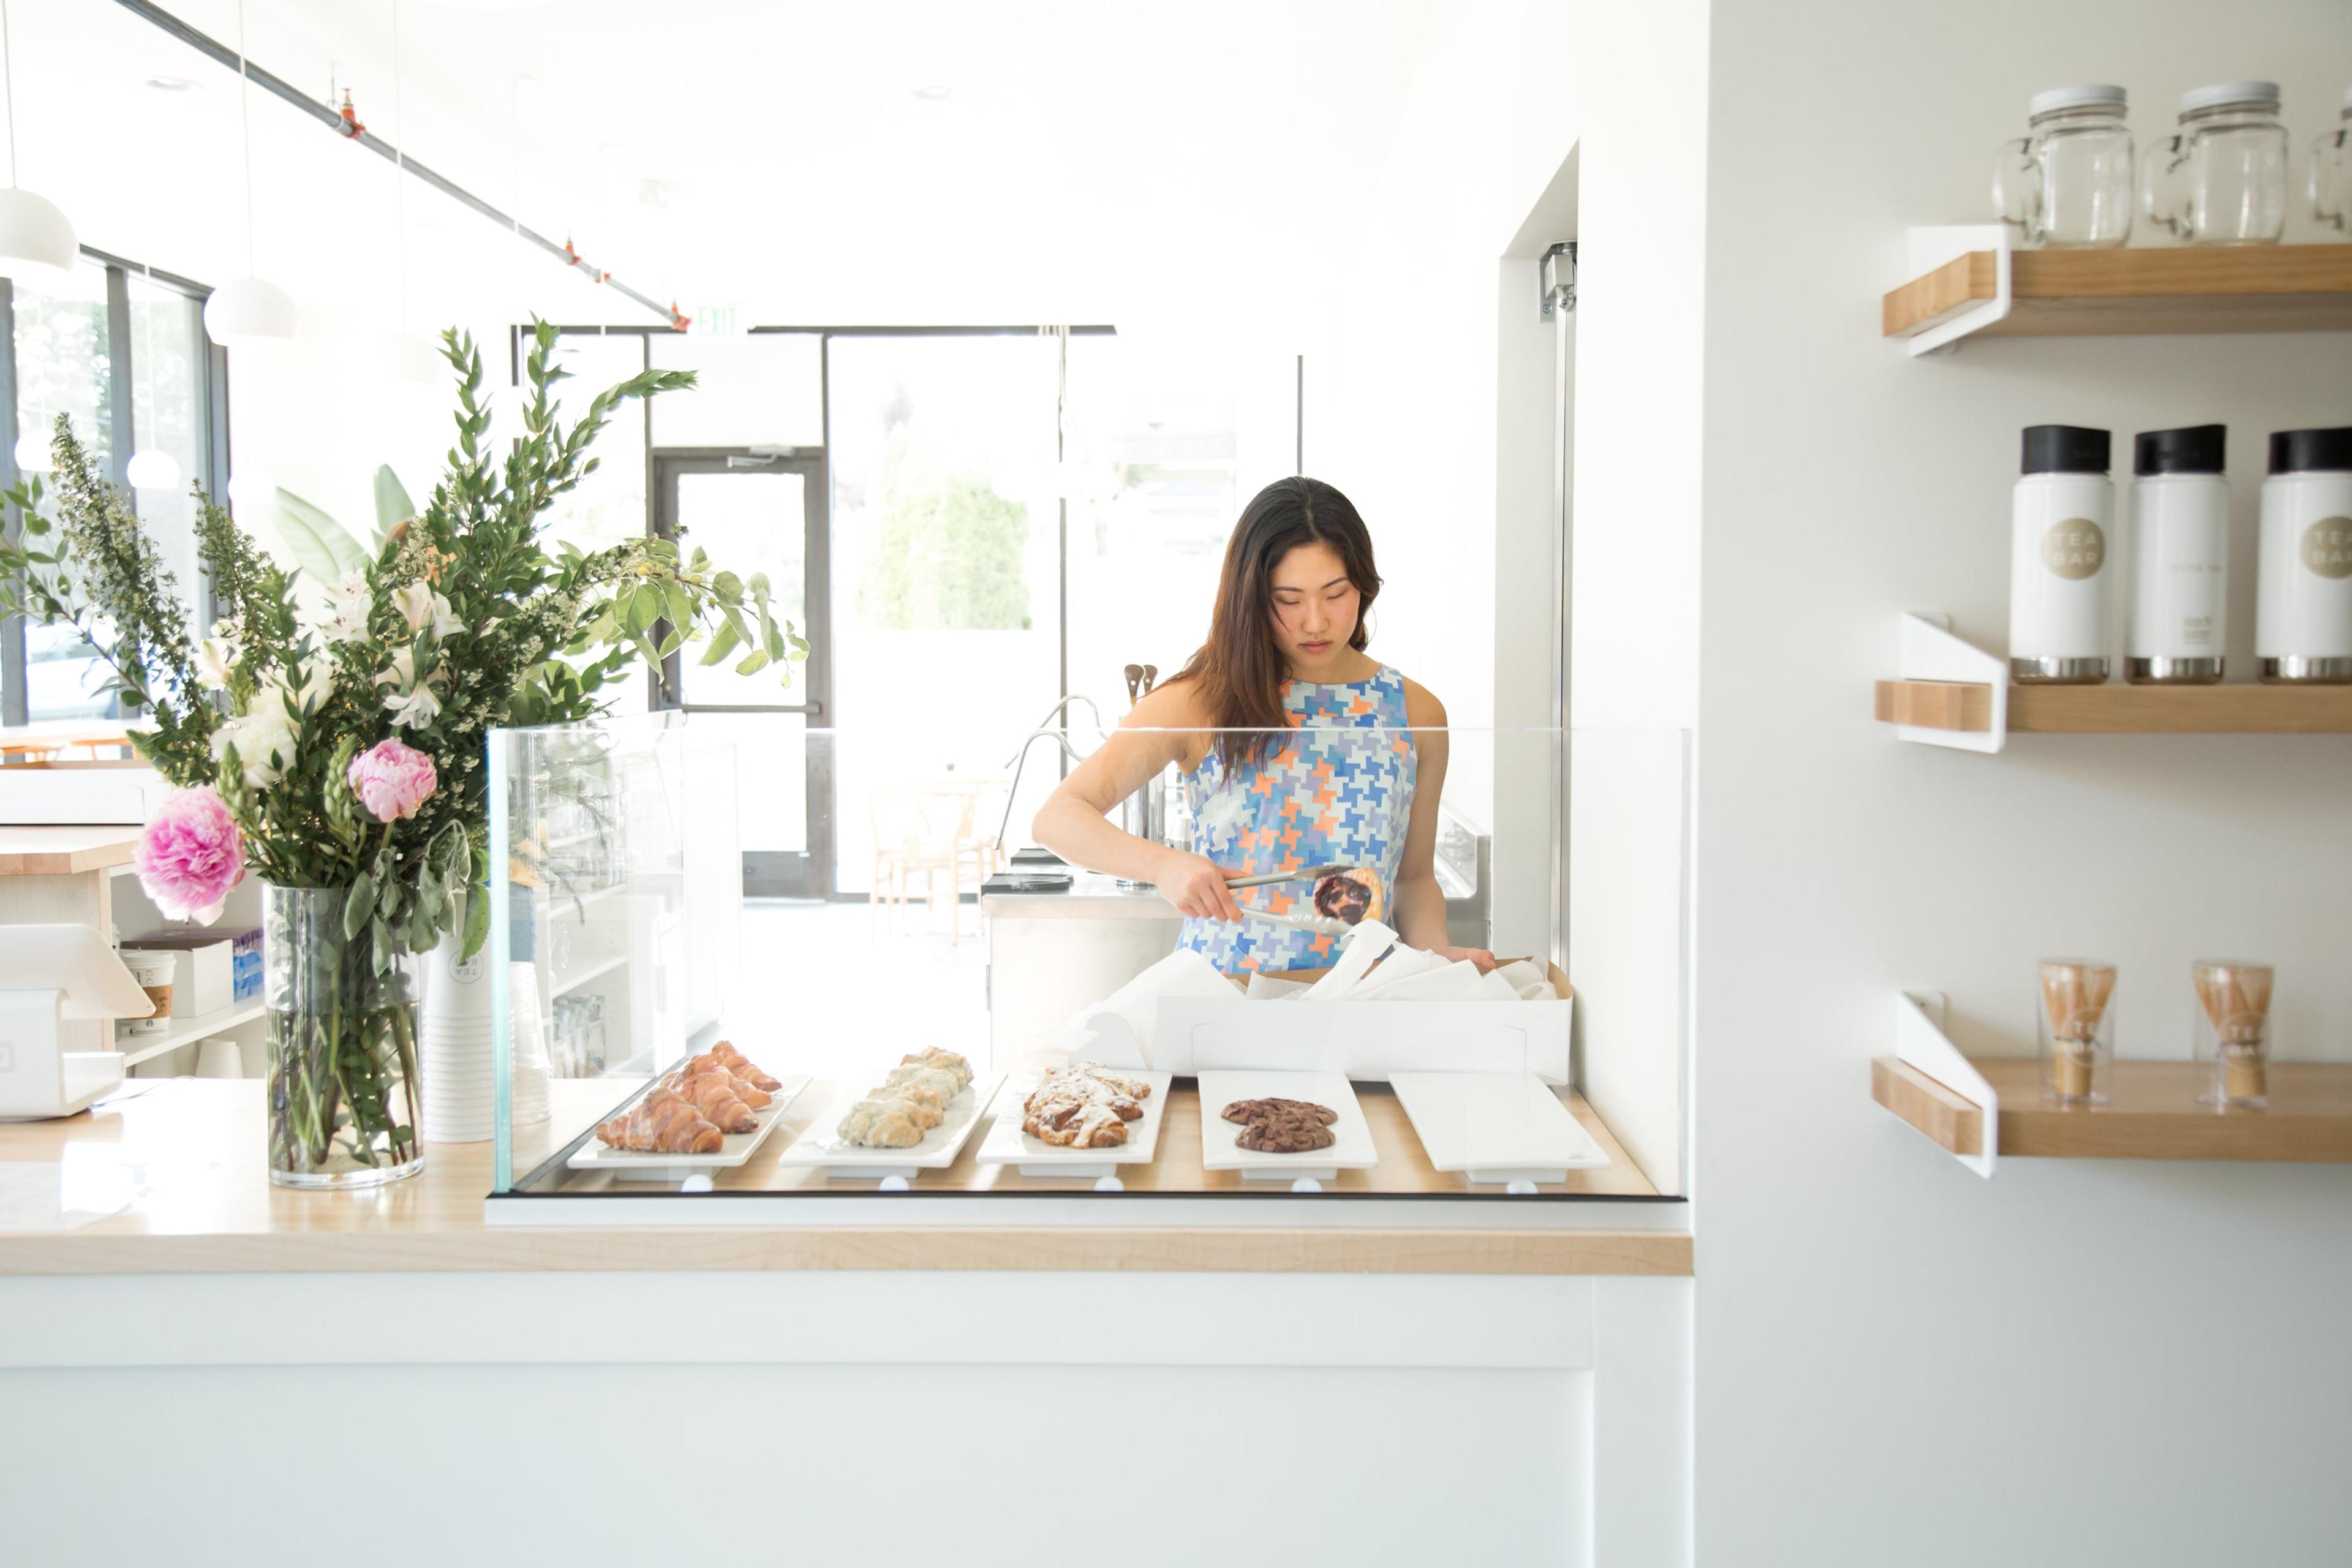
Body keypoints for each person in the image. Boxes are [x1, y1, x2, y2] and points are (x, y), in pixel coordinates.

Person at [1033, 476, 1495, 975]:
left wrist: (1435, 953)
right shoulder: (1200, 701)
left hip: (1360, 998)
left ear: (1364, 585)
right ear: (1250, 598)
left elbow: (1413, 879)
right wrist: (1163, 865)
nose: (1314, 622)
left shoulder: (1416, 713)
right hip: (1223, 995)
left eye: (1335, 594)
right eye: (1288, 600)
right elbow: (1058, 817)